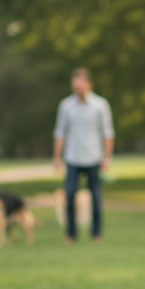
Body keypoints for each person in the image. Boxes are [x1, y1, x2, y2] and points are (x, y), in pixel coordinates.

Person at [52, 68, 114, 242]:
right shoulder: (65, 106)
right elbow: (60, 133)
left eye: (80, 85)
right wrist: (57, 157)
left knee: (96, 197)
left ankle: (96, 233)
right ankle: (71, 234)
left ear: (89, 85)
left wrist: (107, 157)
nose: (77, 88)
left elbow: (108, 133)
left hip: (94, 157)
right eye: (74, 85)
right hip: (72, 157)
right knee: (70, 195)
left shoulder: (100, 105)